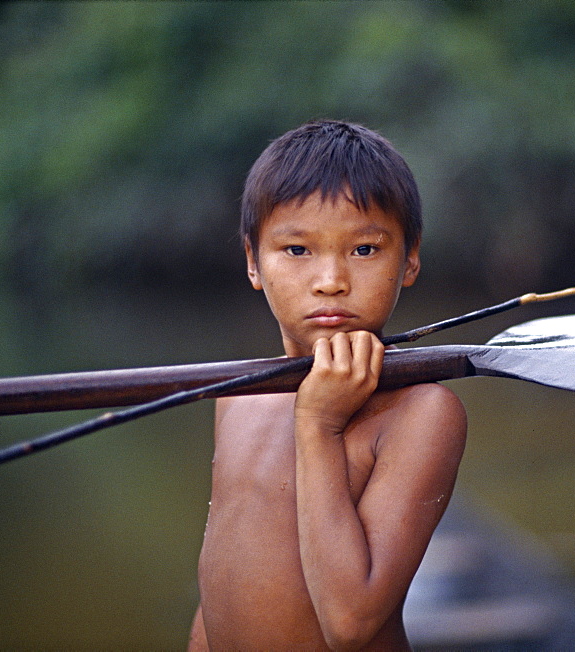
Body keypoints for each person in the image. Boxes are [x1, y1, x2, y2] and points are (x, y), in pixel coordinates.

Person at [188, 120, 468, 650]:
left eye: (364, 250)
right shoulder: (239, 395)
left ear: (408, 258)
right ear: (253, 261)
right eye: (297, 250)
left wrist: (318, 423)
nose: (331, 279)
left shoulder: (423, 413)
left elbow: (350, 623)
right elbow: (221, 585)